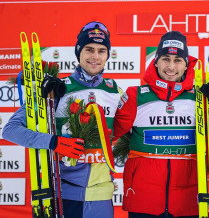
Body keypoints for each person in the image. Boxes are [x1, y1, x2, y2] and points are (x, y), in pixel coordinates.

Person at [3, 21, 121, 218]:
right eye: (89, 49)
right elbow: (10, 130)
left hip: (102, 198)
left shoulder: (116, 92)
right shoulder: (56, 89)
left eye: (102, 50)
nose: (95, 56)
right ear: (78, 52)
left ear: (108, 55)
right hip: (63, 196)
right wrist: (54, 142)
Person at [113, 31, 199, 218]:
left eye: (178, 60)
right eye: (166, 59)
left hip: (187, 201)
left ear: (186, 65)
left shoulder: (199, 99)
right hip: (143, 201)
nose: (171, 66)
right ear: (156, 61)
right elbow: (109, 133)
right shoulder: (136, 95)